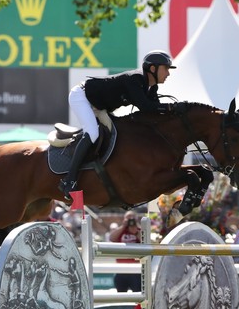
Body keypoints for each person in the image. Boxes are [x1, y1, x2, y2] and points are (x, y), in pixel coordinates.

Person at [59, 50, 176, 199]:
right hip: (82, 97)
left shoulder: (151, 87)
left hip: (100, 105)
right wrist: (173, 108)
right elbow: (146, 107)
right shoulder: (135, 79)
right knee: (93, 133)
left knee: (117, 133)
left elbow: (154, 115)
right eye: (166, 68)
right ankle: (69, 180)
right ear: (153, 68)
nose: (168, 73)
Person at [108, 211, 142, 292]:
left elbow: (145, 241)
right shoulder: (121, 230)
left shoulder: (139, 230)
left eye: (132, 218)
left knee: (138, 295)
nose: (130, 220)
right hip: (121, 269)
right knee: (121, 294)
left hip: (135, 269)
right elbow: (112, 238)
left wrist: (136, 231)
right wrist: (123, 226)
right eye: (128, 218)